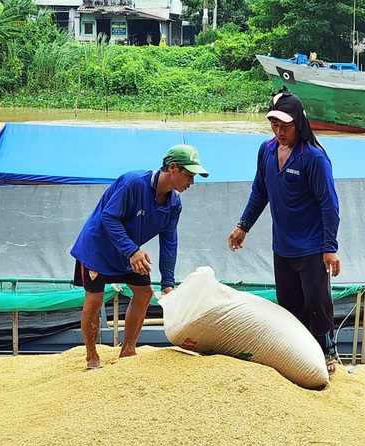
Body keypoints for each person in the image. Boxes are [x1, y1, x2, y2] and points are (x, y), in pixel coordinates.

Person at [227, 88, 342, 374]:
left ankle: (327, 352)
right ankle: (297, 356)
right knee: (288, 302)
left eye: (285, 126)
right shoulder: (266, 151)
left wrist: (330, 247)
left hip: (313, 248)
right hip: (283, 246)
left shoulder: (313, 158)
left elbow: (329, 204)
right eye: (274, 124)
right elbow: (260, 191)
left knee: (317, 302)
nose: (279, 131)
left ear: (298, 124)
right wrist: (244, 226)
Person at [71, 145, 209, 370]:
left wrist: (167, 283)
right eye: (189, 175)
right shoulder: (133, 183)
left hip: (129, 251)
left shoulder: (175, 204)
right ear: (173, 168)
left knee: (145, 292)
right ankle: (92, 356)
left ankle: (128, 350)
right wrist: (132, 251)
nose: (192, 182)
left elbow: (169, 241)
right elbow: (109, 217)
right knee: (94, 301)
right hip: (98, 248)